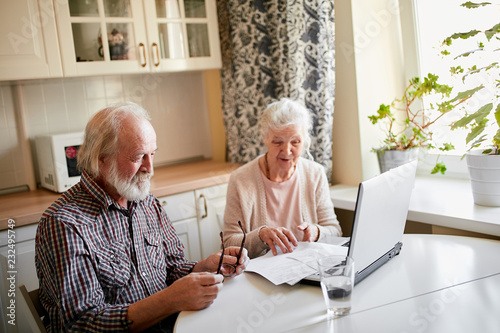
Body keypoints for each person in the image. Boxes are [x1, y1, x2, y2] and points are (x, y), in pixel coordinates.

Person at [35, 102, 248, 332]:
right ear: (101, 159)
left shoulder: (147, 203)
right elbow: (81, 324)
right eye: (138, 157)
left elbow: (172, 268)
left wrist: (203, 267)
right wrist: (169, 300)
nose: (150, 168)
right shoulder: (65, 224)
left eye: (152, 154)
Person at [223, 98, 342, 258]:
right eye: (277, 142)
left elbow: (335, 230)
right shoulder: (240, 179)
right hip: (259, 273)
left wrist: (317, 231)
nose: (286, 151)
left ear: (305, 141)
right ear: (265, 139)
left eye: (295, 142)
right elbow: (229, 242)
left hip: (305, 267)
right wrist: (260, 236)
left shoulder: (315, 173)